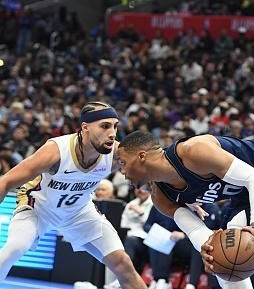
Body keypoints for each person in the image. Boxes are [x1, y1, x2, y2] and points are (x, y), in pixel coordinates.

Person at [117, 131, 254, 289]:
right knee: (222, 259)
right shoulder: (161, 197)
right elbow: (196, 230)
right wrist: (207, 249)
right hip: (241, 194)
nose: (122, 172)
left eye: (122, 163)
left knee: (237, 250)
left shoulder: (193, 152)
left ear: (142, 156)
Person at [0, 101, 147, 289]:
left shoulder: (117, 153)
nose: (112, 133)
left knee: (123, 264)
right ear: (85, 128)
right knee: (15, 248)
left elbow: (153, 170)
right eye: (104, 126)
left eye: (115, 126)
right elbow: (6, 181)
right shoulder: (56, 150)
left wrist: (180, 198)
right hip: (38, 208)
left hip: (79, 212)